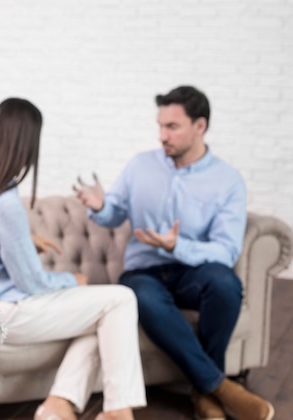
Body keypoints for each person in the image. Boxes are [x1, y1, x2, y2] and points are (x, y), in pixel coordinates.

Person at [74, 85, 275, 420]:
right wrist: (100, 207)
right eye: (160, 126)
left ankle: (204, 388)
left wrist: (176, 245)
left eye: (172, 127)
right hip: (145, 273)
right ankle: (216, 387)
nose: (162, 136)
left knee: (225, 285)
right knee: (139, 294)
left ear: (200, 126)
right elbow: (115, 213)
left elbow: (225, 251)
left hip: (191, 271)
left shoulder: (227, 181)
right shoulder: (140, 165)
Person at [0, 98, 147, 420]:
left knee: (101, 321)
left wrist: (24, 240)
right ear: (26, 143)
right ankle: (118, 411)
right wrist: (72, 280)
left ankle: (57, 407)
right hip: (3, 313)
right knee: (121, 300)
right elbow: (31, 282)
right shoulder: (5, 200)